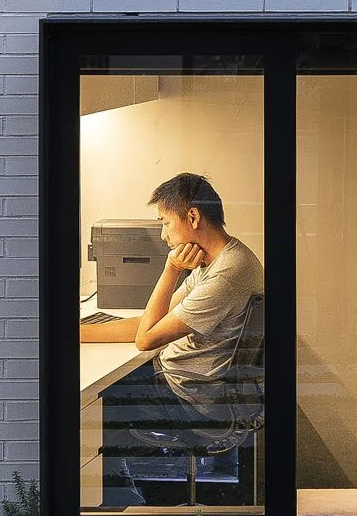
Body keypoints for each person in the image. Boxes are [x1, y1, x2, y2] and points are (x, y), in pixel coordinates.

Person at [82, 172, 265, 486]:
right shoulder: (221, 260)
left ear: (192, 216)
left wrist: (170, 269)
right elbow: (153, 322)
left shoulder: (226, 274)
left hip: (187, 398)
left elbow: (146, 339)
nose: (163, 235)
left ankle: (121, 499)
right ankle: (123, 491)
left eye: (165, 222)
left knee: (90, 405)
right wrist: (80, 333)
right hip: (188, 387)